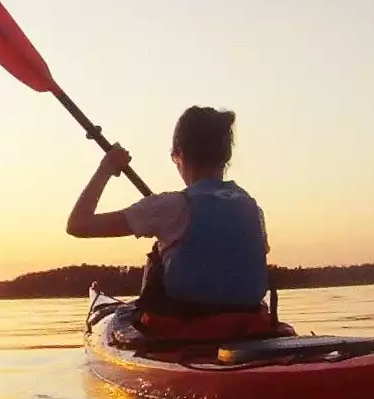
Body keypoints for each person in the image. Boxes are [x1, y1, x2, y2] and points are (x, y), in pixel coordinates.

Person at [66, 106, 275, 334]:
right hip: (249, 326)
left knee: (129, 309)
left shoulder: (168, 206)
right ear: (225, 157)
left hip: (183, 328)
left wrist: (105, 168)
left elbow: (78, 224)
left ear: (179, 154)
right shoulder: (252, 207)